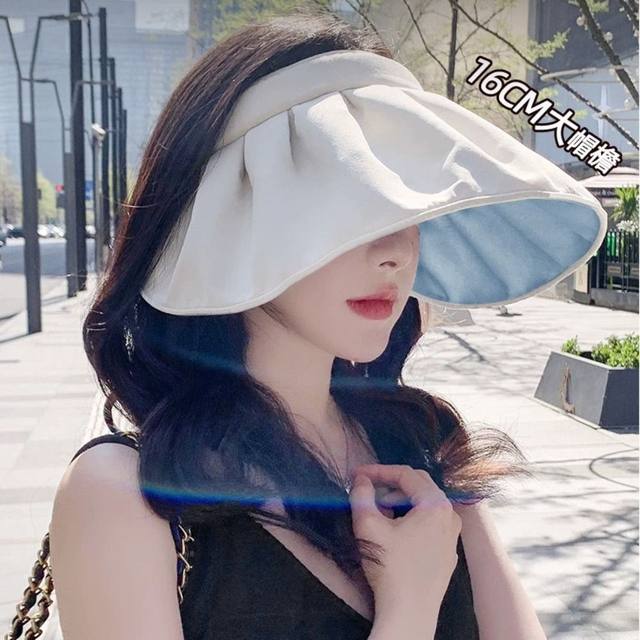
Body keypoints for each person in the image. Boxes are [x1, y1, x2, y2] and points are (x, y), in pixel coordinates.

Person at [47, 8, 607, 640]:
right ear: (230, 216)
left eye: (407, 206)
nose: (394, 251)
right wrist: (409, 609)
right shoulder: (125, 494)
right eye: (348, 206)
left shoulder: (418, 442)